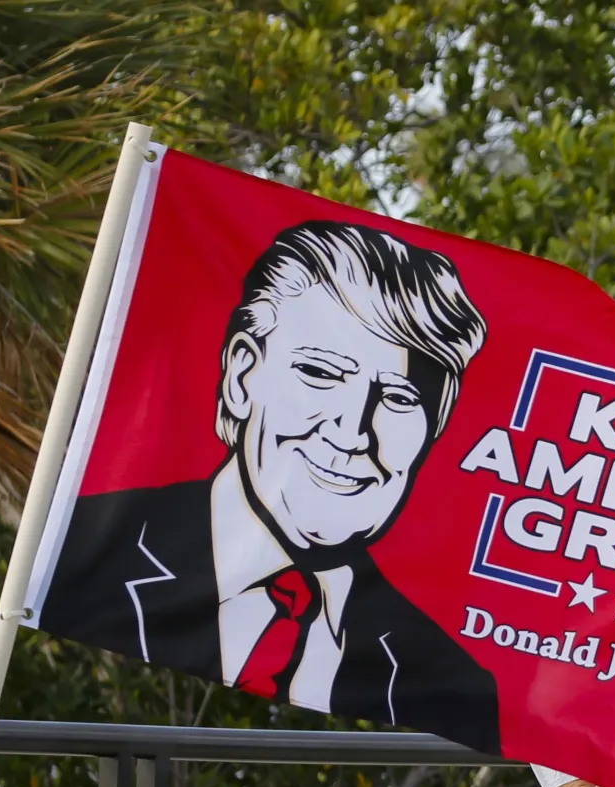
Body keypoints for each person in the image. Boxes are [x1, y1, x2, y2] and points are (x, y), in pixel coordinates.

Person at [36, 220, 499, 751]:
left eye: (398, 398)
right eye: (321, 374)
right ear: (240, 378)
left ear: (432, 432)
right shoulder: (83, 557)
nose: (352, 432)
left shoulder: (448, 676)